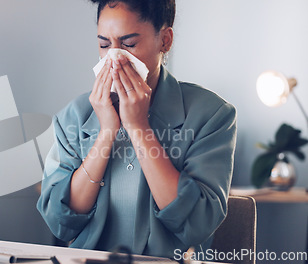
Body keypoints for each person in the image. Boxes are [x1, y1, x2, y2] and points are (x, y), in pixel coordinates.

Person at [37, 0, 237, 259]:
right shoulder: (74, 115)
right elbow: (59, 222)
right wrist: (106, 132)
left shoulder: (211, 115)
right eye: (104, 45)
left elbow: (198, 224)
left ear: (165, 40)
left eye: (129, 44)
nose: (115, 58)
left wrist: (139, 127)